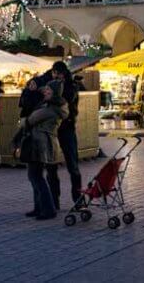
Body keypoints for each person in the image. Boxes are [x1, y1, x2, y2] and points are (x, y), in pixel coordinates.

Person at [16, 80, 68, 220]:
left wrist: (22, 122)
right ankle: (39, 207)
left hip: (39, 144)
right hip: (41, 143)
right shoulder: (51, 106)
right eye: (45, 90)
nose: (46, 92)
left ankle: (48, 210)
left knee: (36, 177)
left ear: (55, 93)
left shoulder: (50, 109)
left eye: (49, 91)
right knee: (35, 176)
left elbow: (30, 119)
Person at [51, 61, 83, 204]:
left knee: (71, 166)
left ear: (59, 74)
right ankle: (55, 200)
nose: (53, 76)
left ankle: (76, 199)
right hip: (60, 128)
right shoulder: (58, 85)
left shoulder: (70, 87)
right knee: (52, 165)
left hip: (65, 127)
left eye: (54, 73)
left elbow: (67, 101)